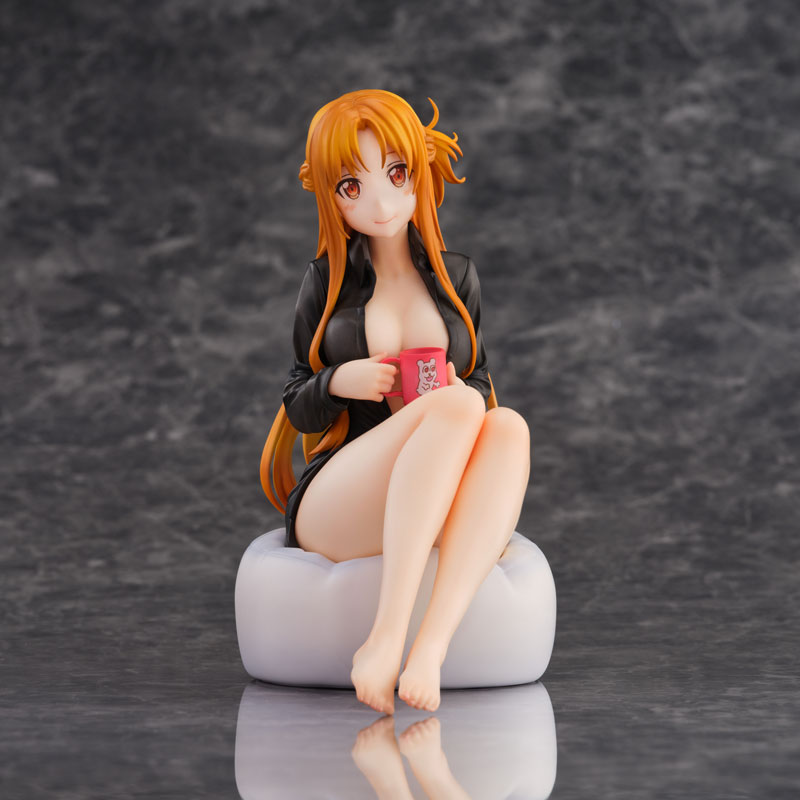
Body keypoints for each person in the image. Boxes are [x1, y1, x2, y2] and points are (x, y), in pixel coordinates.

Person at [260, 89, 531, 714]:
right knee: (459, 408)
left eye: (396, 174)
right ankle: (385, 636)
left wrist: (460, 392)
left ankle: (429, 648)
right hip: (341, 496)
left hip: (427, 484)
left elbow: (480, 380)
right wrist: (340, 381)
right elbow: (297, 400)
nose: (380, 203)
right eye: (352, 186)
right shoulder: (326, 281)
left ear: (420, 172)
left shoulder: (456, 277)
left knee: (507, 425)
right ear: (331, 196)